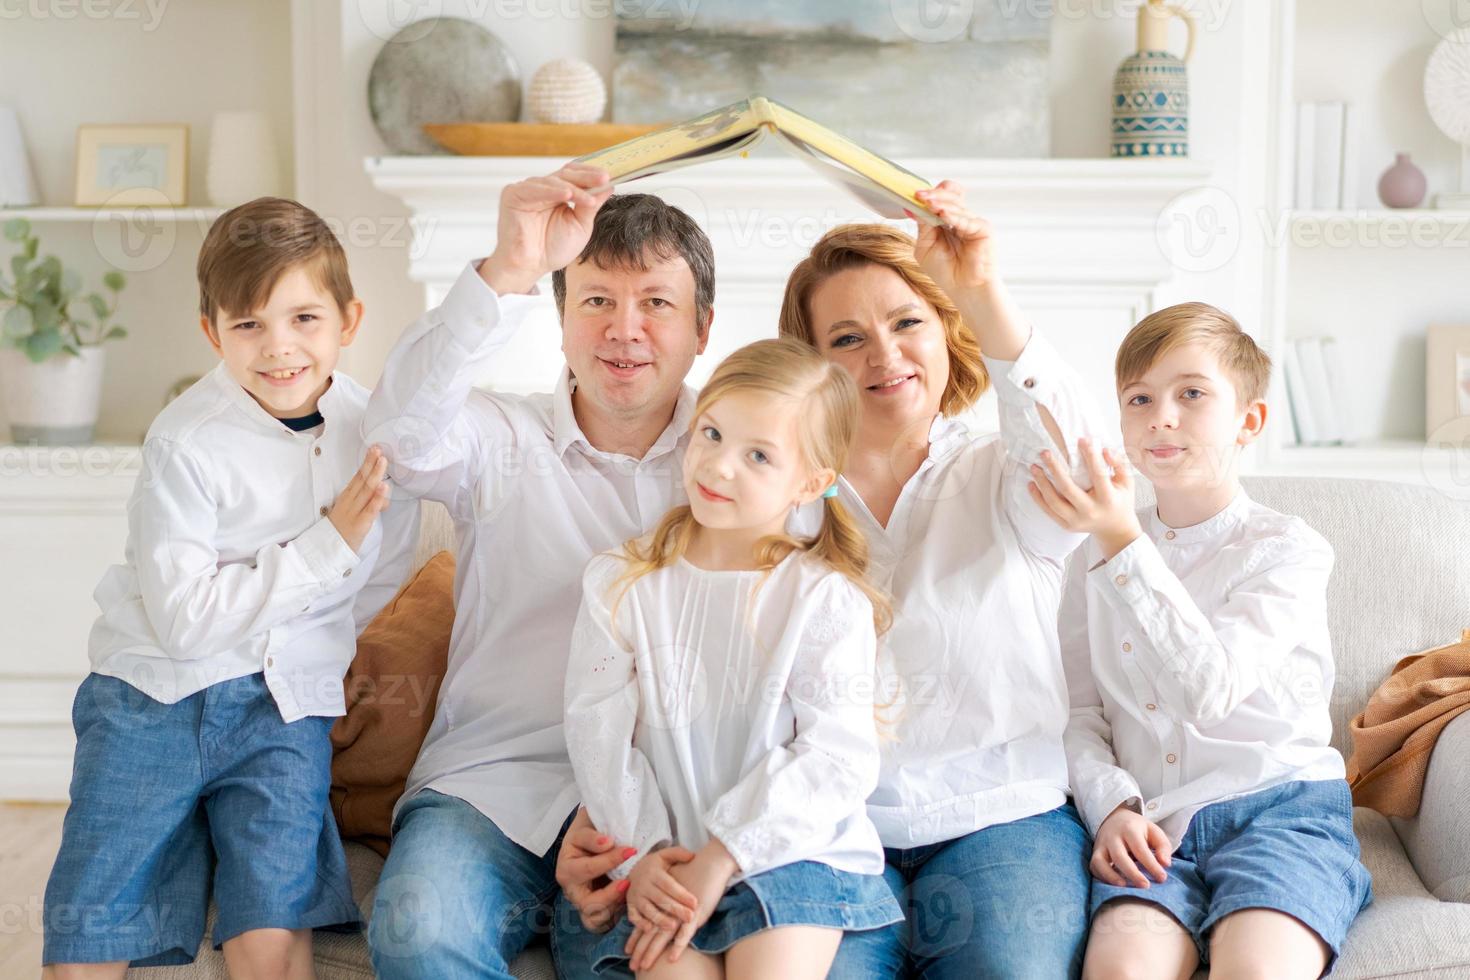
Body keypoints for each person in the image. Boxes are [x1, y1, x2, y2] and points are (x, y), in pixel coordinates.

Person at [42, 197, 417, 978]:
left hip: (282, 709)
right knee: (95, 916)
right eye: (249, 325)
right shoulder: (186, 441)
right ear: (214, 333)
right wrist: (324, 546)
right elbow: (184, 625)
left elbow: (380, 570)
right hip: (155, 697)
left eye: (304, 319)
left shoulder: (368, 430)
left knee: (273, 922)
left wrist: (320, 654)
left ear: (349, 320)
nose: (279, 348)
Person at [362, 164, 716, 978]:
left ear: (701, 329)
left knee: (634, 958)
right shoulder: (496, 437)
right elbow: (397, 440)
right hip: (493, 783)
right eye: (596, 301)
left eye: (655, 303)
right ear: (558, 322)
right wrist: (510, 266)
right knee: (420, 931)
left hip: (659, 795)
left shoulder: (745, 458)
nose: (624, 330)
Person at [777, 183, 1109, 978]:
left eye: (906, 323)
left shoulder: (1004, 472)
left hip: (1001, 818)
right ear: (813, 367)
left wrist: (981, 286)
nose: (884, 356)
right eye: (847, 339)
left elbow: (1088, 466)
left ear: (947, 330)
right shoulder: (778, 498)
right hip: (832, 827)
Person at [1030, 302, 1372, 979]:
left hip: (1281, 809)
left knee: (1257, 970)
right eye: (1139, 398)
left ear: (1249, 421)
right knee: (1122, 970)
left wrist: (1120, 541)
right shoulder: (1088, 559)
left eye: (1191, 393)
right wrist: (1113, 807)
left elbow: (1207, 689)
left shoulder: (1288, 551)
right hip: (1156, 823)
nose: (1161, 415)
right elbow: (1078, 714)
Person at [565, 338, 904, 978]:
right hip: (665, 858)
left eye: (758, 455)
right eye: (712, 434)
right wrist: (643, 859)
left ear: (812, 482)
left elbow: (838, 756)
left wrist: (723, 854)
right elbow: (598, 736)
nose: (719, 467)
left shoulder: (823, 599)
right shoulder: (621, 583)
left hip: (792, 853)